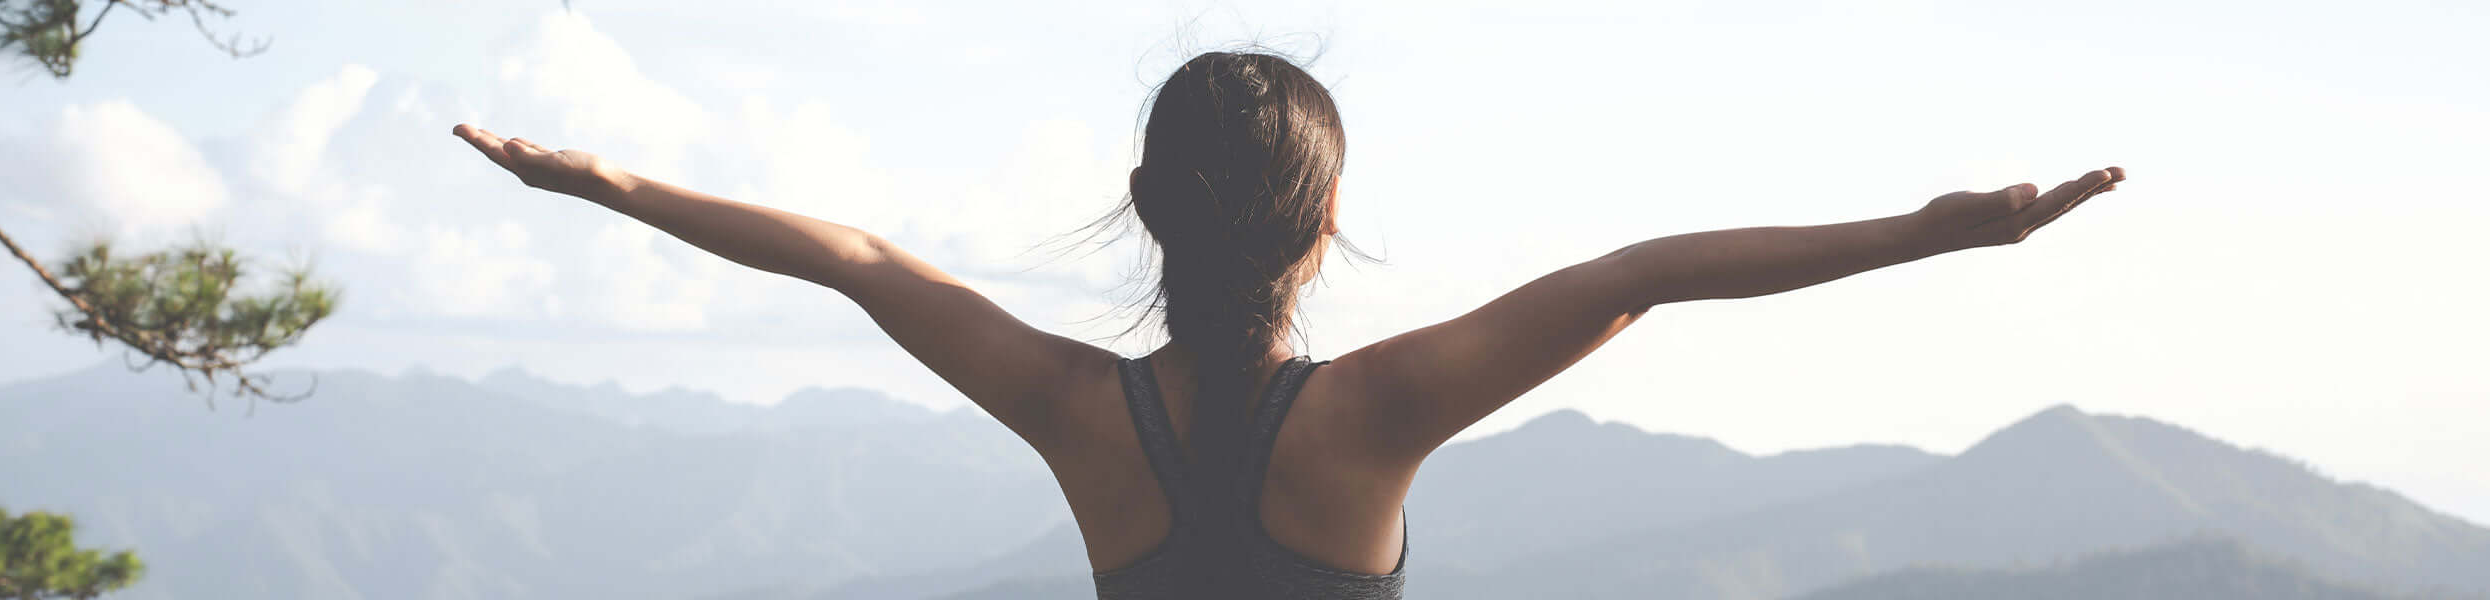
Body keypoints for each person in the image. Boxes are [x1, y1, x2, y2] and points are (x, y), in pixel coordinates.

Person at [453, 50, 2124, 600]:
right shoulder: (1379, 411)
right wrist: (1926, 236)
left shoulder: (1068, 404)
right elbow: (1645, 271)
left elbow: (861, 263)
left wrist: (613, 186)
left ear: (1143, 199)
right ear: (1328, 222)